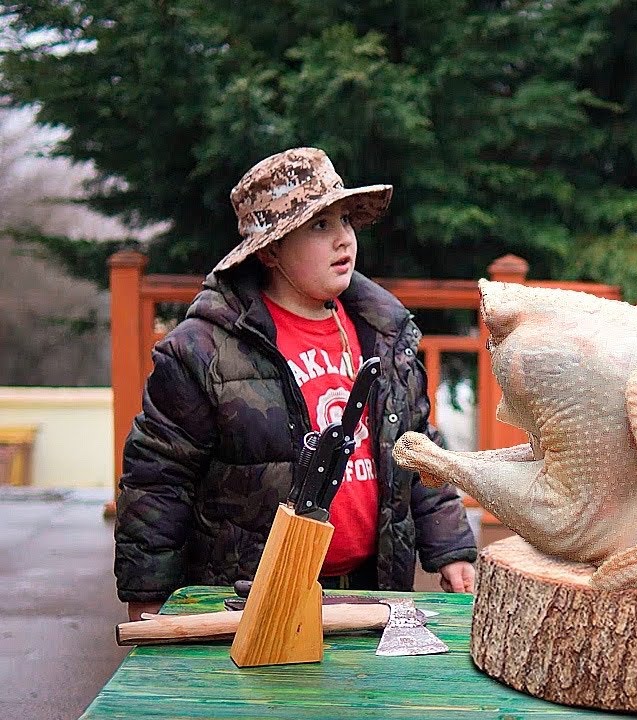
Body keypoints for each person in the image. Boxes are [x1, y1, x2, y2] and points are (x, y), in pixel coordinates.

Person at [115, 148, 477, 621]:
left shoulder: (384, 334)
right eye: (319, 226)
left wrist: (450, 545)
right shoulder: (204, 350)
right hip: (248, 599)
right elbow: (157, 480)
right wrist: (147, 594)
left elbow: (415, 447)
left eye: (345, 221)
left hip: (370, 593)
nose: (343, 240)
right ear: (270, 250)